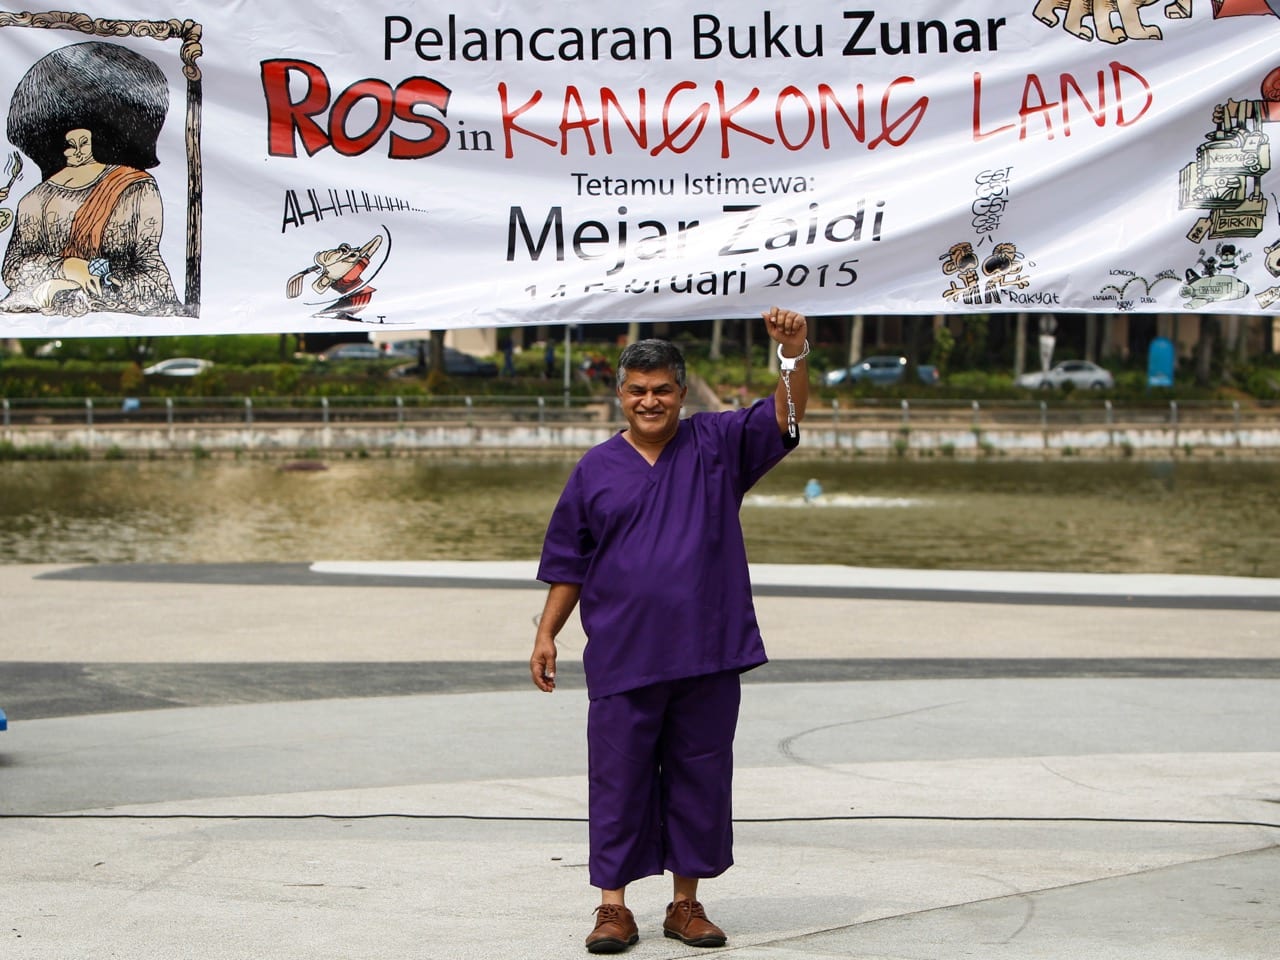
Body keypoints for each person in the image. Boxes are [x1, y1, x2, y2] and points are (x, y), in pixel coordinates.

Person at [530, 307, 809, 954]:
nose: (649, 401)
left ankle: (685, 905)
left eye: (661, 390)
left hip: (707, 649)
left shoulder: (717, 445)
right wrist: (547, 634)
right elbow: (568, 564)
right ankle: (612, 908)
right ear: (620, 397)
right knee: (618, 777)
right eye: (637, 391)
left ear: (681, 394)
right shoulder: (595, 470)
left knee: (700, 775)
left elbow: (786, 420)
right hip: (625, 655)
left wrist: (792, 355)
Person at [1, 41, 179, 317]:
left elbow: (149, 268)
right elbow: (14, 268)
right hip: (40, 305)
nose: (74, 146)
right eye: (67, 138)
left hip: (115, 303)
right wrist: (66, 268)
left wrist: (92, 284)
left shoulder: (135, 188)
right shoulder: (36, 199)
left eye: (83, 138)